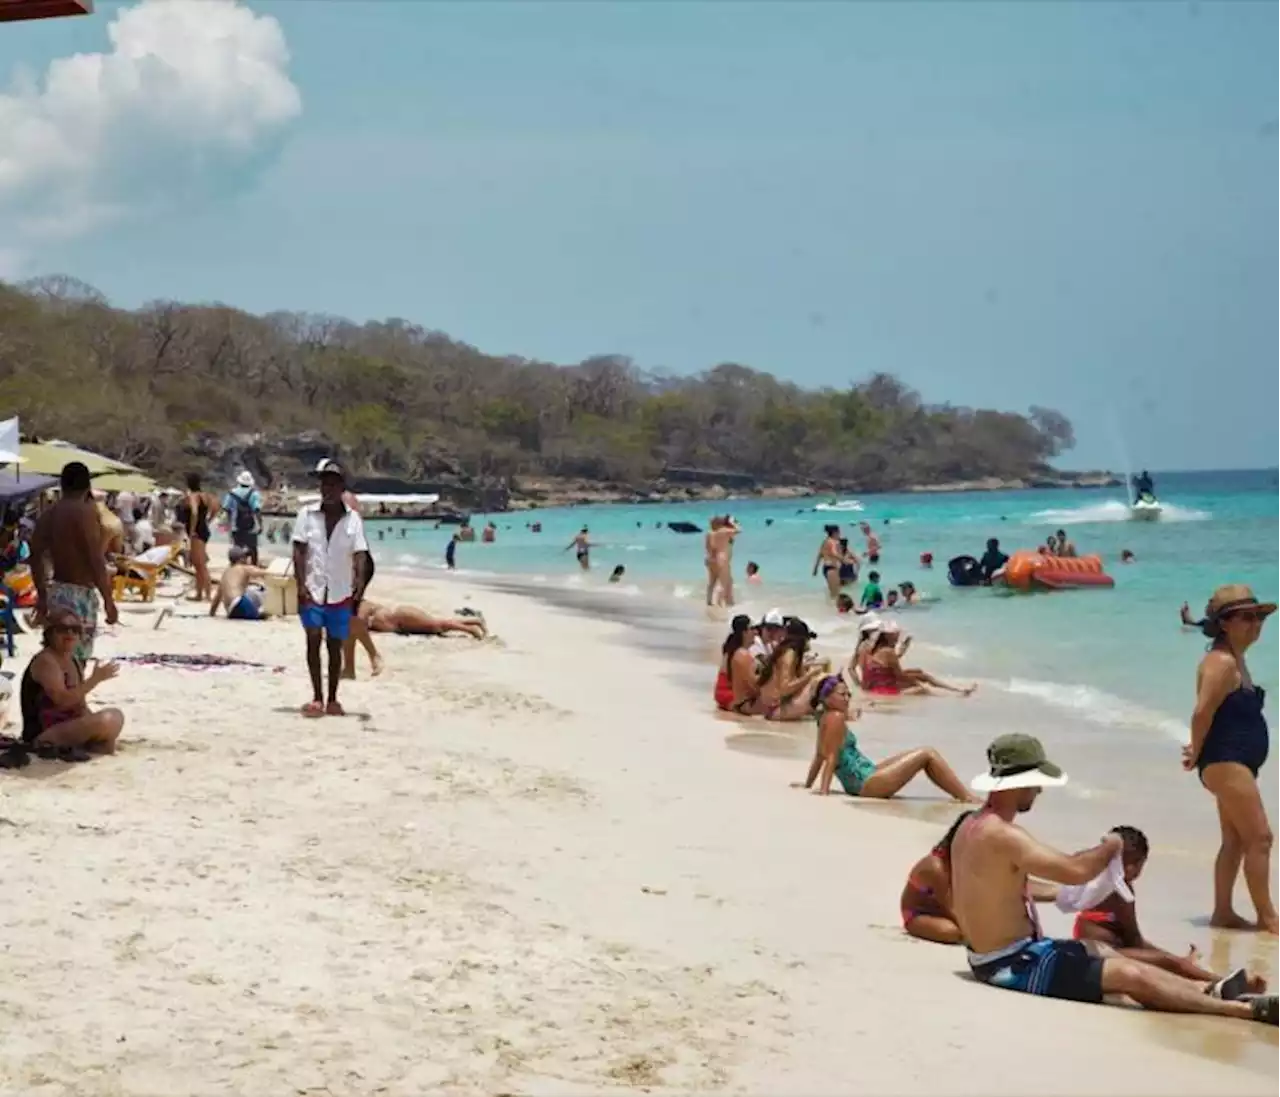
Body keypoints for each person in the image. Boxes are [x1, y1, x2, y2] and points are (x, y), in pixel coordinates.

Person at [950, 733, 1280, 1023]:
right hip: (1008, 964)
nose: (1039, 790)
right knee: (1129, 975)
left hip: (1002, 953)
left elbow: (1005, 887)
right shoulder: (1004, 836)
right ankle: (1243, 1011)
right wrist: (1110, 846)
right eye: (1037, 783)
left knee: (1099, 949)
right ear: (1020, 782)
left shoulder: (971, 826)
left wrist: (1068, 894)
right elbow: (1076, 868)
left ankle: (1205, 988)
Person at [1072, 825, 1266, 995]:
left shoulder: (1098, 879)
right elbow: (1134, 940)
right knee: (1169, 964)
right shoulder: (1120, 890)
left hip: (1098, 949)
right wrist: (1178, 960)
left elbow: (1132, 940)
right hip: (1103, 953)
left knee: (1167, 963)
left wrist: (1174, 959)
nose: (1130, 869)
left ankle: (1209, 981)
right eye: (1129, 863)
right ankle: (1222, 982)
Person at [1183, 584, 1277, 934]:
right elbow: (1201, 713)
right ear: (1224, 623)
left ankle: (1223, 912)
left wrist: (1197, 750)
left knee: (1236, 839)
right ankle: (1268, 917)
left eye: (1259, 617)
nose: (1257, 624)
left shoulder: (1236, 659)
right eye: (1247, 618)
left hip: (1234, 760)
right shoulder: (1220, 663)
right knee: (1261, 838)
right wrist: (1195, 751)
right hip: (1226, 760)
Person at [795, 675, 978, 801]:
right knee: (927, 754)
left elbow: (820, 754)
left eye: (848, 694)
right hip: (865, 784)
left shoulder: (825, 717)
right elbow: (831, 757)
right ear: (826, 698)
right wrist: (824, 791)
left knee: (918, 754)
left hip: (864, 776)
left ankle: (963, 796)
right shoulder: (836, 717)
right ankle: (966, 796)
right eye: (841, 695)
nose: (847, 698)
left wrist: (808, 784)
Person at [902, 813, 1058, 944]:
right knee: (953, 932)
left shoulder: (966, 859)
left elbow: (1011, 884)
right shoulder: (936, 866)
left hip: (950, 908)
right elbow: (954, 908)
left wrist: (1058, 891)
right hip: (921, 913)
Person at [291, 459, 370, 718]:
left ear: (342, 488)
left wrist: (359, 582)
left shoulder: (353, 520)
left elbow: (360, 552)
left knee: (334, 645)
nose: (328, 488)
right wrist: (300, 584)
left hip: (340, 591)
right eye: (324, 483)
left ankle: (333, 699)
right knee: (313, 639)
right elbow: (299, 551)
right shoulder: (306, 515)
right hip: (312, 589)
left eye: (334, 483)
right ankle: (316, 697)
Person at [29, 461, 118, 667]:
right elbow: (95, 559)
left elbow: (35, 556)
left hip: (57, 591)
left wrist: (42, 595)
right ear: (87, 487)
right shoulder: (87, 513)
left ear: (62, 484)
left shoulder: (48, 515)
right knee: (78, 660)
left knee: (57, 657)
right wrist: (108, 600)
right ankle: (72, 697)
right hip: (81, 594)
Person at [20, 608, 125, 756]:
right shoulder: (46, 661)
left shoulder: (72, 660)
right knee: (109, 718)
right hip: (44, 734)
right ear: (50, 633)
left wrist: (91, 723)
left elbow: (79, 704)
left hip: (66, 726)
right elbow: (62, 700)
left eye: (75, 630)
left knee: (111, 721)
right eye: (63, 629)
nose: (69, 634)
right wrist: (94, 680)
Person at [856, 618, 975, 697]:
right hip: (883, 688)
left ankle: (955, 690)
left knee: (919, 672)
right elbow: (899, 675)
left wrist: (903, 650)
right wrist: (916, 682)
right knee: (922, 688)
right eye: (895, 635)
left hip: (874, 684)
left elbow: (886, 665)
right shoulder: (888, 651)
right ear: (888, 636)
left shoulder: (870, 648)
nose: (897, 637)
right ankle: (950, 694)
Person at [755, 618, 826, 721]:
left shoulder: (786, 651)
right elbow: (785, 688)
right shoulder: (789, 654)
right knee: (822, 680)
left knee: (818, 682)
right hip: (775, 708)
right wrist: (810, 675)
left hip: (772, 706)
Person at [358, 600, 486, 640]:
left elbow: (362, 622)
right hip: (401, 621)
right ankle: (473, 622)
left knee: (437, 626)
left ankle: (471, 629)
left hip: (401, 618)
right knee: (437, 625)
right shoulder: (360, 607)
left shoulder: (362, 607)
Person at [209, 546, 271, 621]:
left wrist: (211, 613)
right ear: (241, 559)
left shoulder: (225, 573)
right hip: (239, 602)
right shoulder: (244, 568)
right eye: (246, 557)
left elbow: (217, 598)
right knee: (261, 610)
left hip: (230, 610)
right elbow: (264, 573)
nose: (248, 559)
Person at [715, 614, 758, 713]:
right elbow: (751, 685)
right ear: (744, 632)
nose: (756, 632)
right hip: (730, 694)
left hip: (721, 693)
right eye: (752, 629)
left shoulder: (731, 650)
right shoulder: (741, 654)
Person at [184, 472, 217, 602]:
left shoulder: (193, 496)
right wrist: (208, 521)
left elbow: (194, 512)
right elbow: (215, 508)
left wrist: (192, 530)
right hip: (203, 529)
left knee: (201, 565)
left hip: (197, 532)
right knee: (198, 565)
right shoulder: (206, 496)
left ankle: (208, 594)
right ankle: (199, 593)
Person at [222, 471, 263, 566]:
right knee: (253, 548)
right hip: (251, 527)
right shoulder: (254, 494)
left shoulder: (231, 493)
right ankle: (253, 567)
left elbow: (227, 509)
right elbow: (257, 510)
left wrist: (229, 525)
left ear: (239, 482)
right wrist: (260, 525)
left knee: (237, 548)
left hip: (236, 526)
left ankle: (236, 567)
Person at [812, 525, 843, 600]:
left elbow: (820, 555)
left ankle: (829, 608)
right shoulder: (833, 542)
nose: (840, 534)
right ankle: (833, 609)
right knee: (835, 594)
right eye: (839, 532)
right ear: (834, 533)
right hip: (832, 568)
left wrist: (815, 569)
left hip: (827, 568)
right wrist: (844, 560)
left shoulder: (825, 542)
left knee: (833, 593)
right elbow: (834, 553)